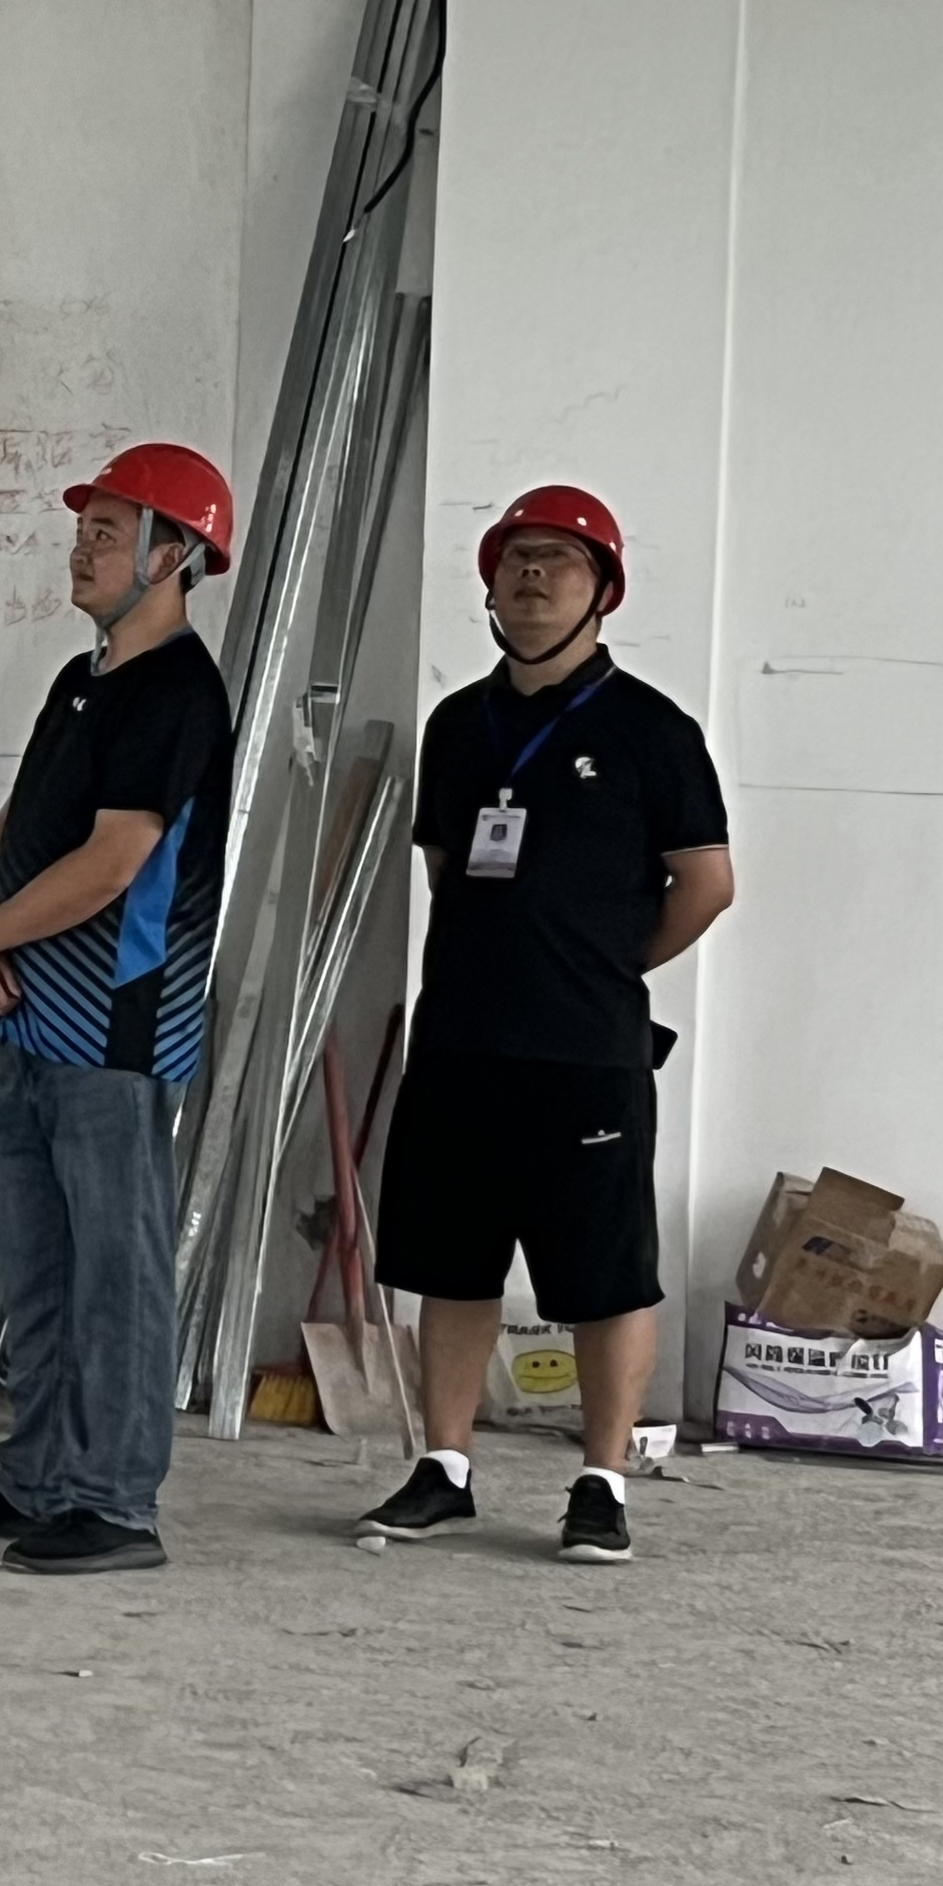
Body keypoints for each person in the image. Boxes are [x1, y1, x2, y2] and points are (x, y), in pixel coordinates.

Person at [353, 485, 732, 1564]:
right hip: (461, 1044)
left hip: (586, 1053)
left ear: (604, 591)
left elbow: (707, 884)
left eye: (559, 559)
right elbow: (446, 867)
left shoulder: (653, 732)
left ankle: (601, 1484)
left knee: (605, 1276)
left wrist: (606, 966)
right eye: (515, 556)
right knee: (454, 1267)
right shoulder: (456, 725)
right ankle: (445, 1466)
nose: (531, 574)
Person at [0, 441, 240, 1577]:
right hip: (33, 1017)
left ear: (173, 555)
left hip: (118, 1027)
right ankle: (38, 1474)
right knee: (39, 1268)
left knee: (117, 1270)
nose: (81, 550)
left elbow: (114, 861)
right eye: (83, 530)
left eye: (107, 532)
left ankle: (116, 1500)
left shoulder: (178, 690)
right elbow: (14, 823)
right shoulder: (80, 679)